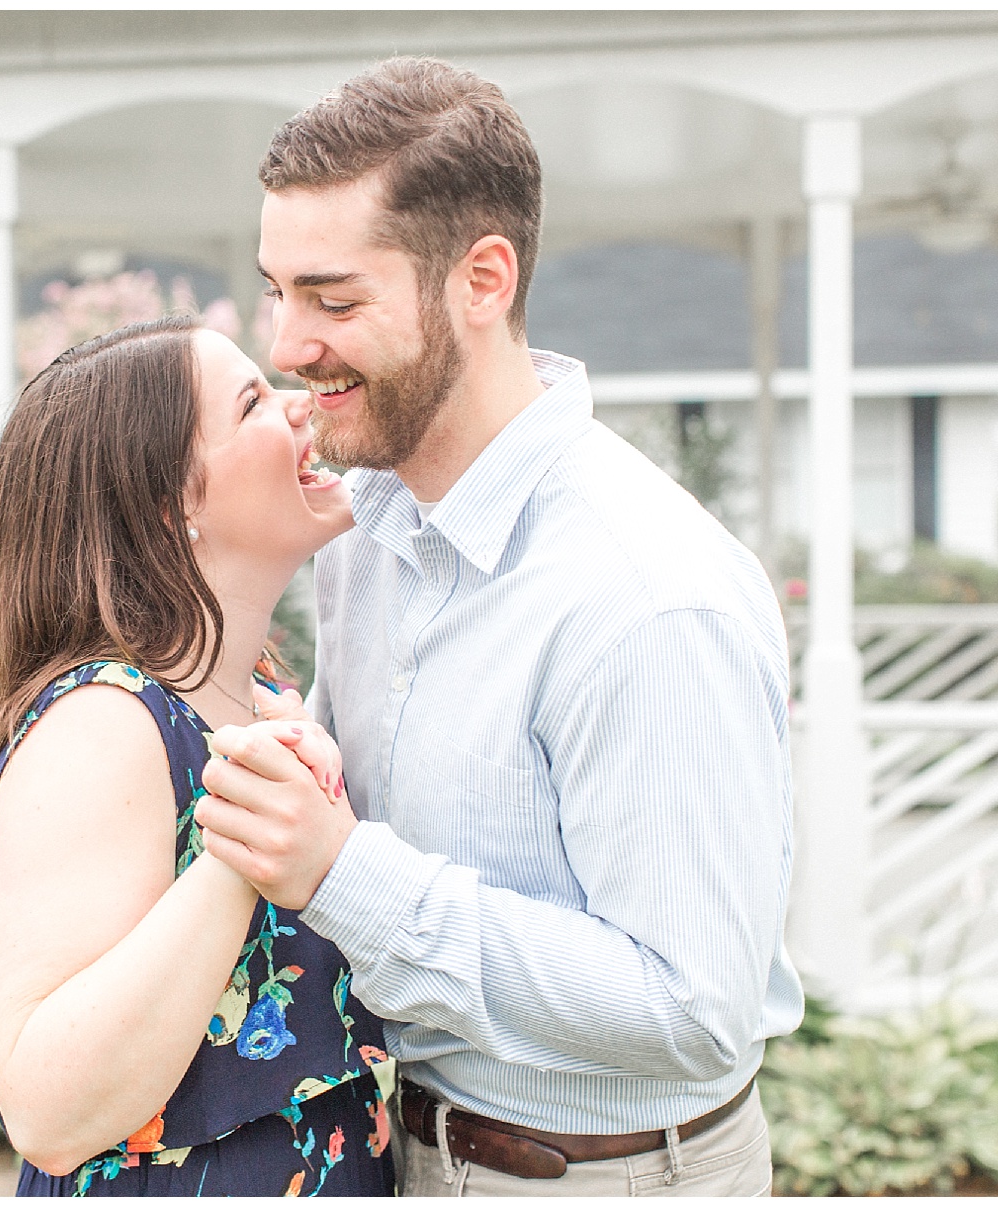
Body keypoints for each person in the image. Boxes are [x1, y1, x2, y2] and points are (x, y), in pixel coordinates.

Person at [194, 57, 804, 1196]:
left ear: (482, 280)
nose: (287, 343)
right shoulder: (364, 526)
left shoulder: (647, 596)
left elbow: (693, 1007)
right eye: (279, 292)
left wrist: (344, 873)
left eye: (333, 299)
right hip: (407, 1150)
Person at [0, 315, 396, 1196]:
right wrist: (249, 845)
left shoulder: (259, 698)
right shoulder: (104, 722)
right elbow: (47, 1110)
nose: (303, 408)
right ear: (171, 503)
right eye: (254, 401)